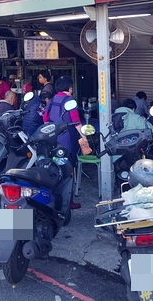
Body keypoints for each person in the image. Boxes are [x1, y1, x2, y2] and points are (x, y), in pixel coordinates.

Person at [44, 76, 90, 209]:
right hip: (67, 139)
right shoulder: (70, 100)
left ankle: (55, 198)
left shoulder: (52, 100)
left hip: (53, 139)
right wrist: (84, 138)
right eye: (71, 87)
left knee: (56, 167)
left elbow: (45, 118)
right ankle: (68, 201)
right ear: (68, 88)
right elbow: (76, 121)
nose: (72, 90)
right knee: (69, 170)